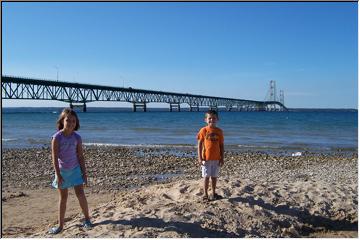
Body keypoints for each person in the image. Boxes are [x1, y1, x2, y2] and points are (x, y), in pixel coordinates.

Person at [48, 108, 92, 234]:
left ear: (76, 123)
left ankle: (87, 219)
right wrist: (58, 174)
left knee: (81, 195)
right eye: (68, 120)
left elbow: (81, 156)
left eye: (74, 121)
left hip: (76, 170)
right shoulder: (57, 137)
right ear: (62, 121)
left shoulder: (77, 137)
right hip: (62, 172)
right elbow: (54, 158)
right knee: (63, 198)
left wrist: (84, 173)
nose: (71, 123)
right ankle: (60, 225)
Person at [197, 110, 224, 202]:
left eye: (214, 118)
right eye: (209, 118)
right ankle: (205, 194)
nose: (212, 120)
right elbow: (199, 144)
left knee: (214, 177)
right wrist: (200, 157)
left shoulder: (219, 131)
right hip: (206, 158)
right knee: (206, 177)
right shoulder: (203, 130)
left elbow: (221, 145)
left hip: (216, 158)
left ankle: (213, 193)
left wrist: (222, 158)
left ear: (217, 119)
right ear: (205, 120)